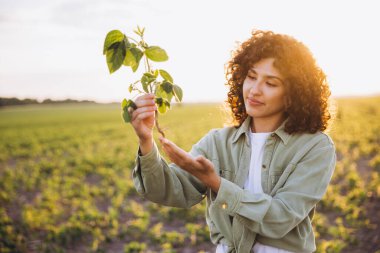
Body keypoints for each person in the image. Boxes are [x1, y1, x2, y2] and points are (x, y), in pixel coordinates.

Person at [131, 30, 336, 253]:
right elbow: (168, 190)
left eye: (271, 83)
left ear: (293, 94)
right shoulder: (218, 142)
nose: (254, 90)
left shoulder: (315, 147)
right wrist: (146, 139)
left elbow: (281, 218)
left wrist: (216, 183)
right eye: (251, 76)